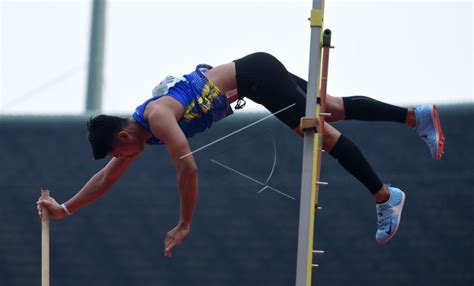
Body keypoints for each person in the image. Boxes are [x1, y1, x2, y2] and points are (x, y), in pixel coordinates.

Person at [37, 52, 445, 255]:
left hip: (255, 75)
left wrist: (184, 223)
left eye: (119, 151)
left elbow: (189, 170)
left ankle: (384, 196)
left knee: (320, 131)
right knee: (331, 106)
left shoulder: (157, 118)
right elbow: (106, 177)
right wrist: (67, 208)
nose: (125, 158)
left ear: (124, 135)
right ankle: (416, 117)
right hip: (256, 72)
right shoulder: (142, 130)